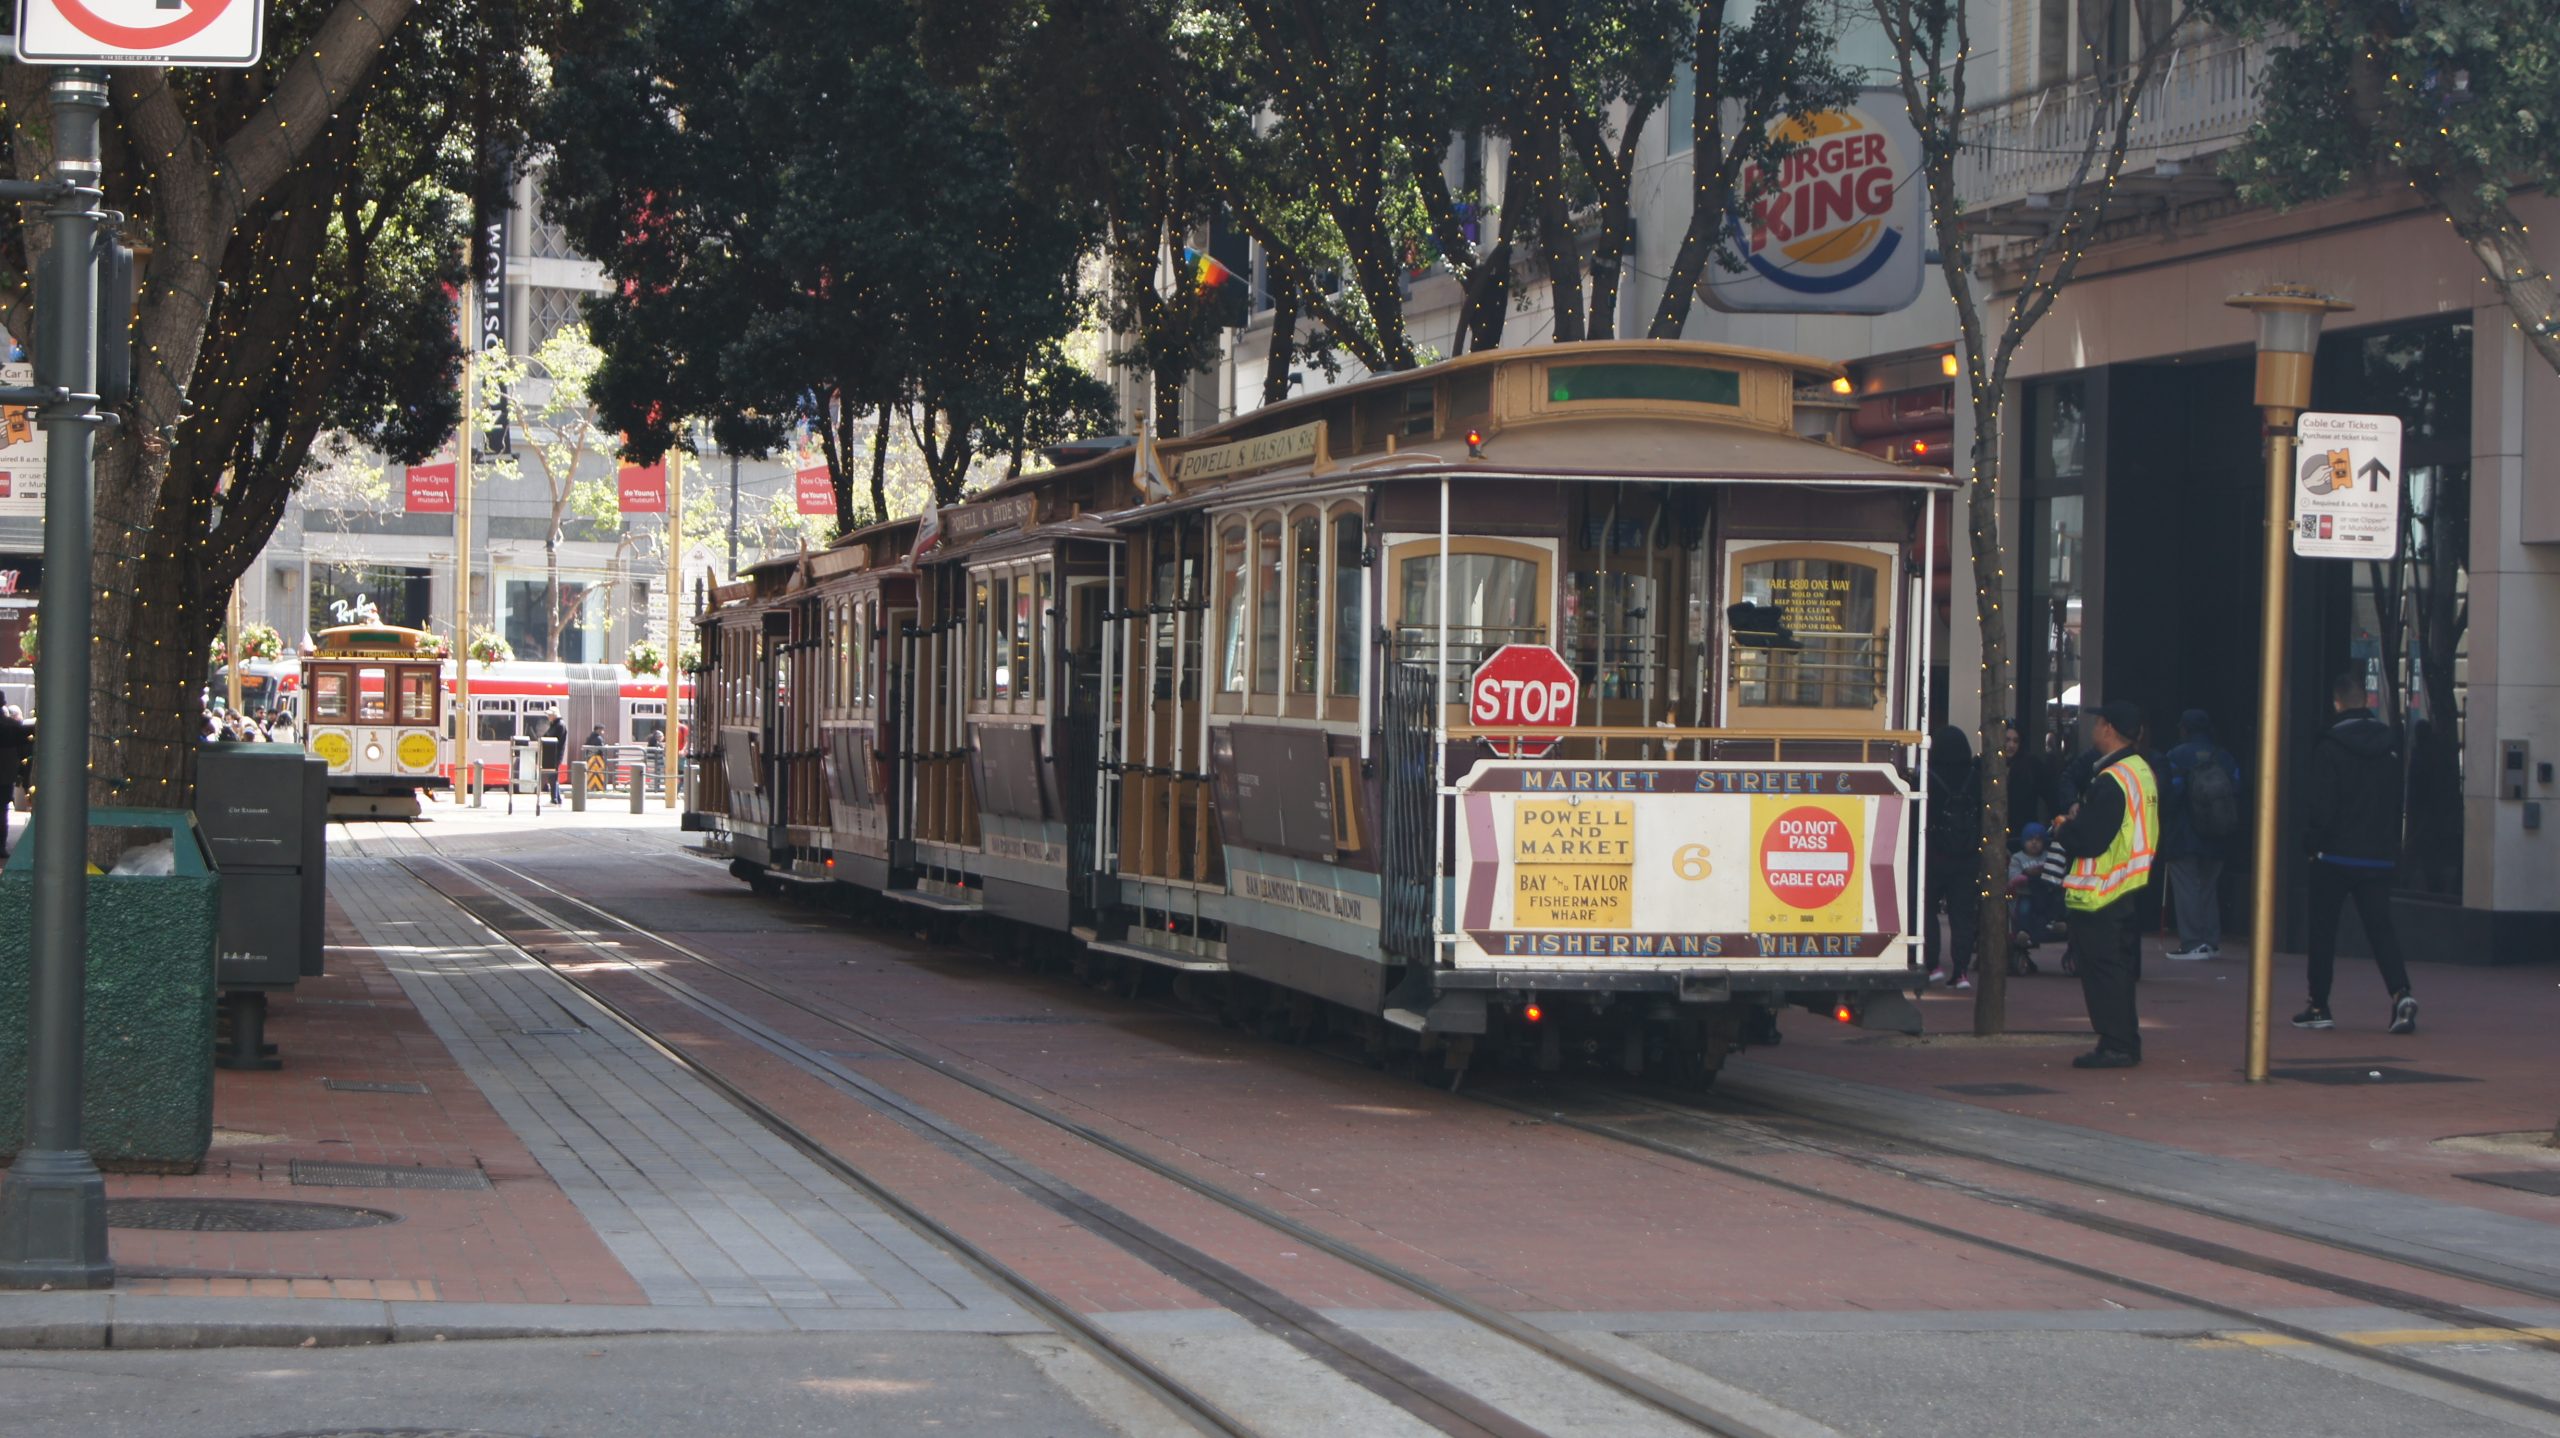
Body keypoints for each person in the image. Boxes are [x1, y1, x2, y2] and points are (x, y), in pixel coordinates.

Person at [2296, 672, 2418, 1035]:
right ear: (2365, 701)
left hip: (2334, 855)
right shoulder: (2389, 745)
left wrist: (2312, 844)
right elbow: (2396, 801)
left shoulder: (2329, 747)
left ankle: (2319, 1005)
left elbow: (2322, 806)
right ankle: (2401, 992)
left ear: (2336, 704)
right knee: (2381, 929)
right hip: (2377, 854)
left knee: (2323, 931)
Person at [2051, 700, 2158, 1069]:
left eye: (2098, 723)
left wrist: (2065, 828)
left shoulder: (2113, 779)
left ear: (2109, 729)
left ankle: (2116, 1045)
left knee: (2104, 972)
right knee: (2118, 970)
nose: (2094, 729)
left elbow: (2090, 839)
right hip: (2127, 885)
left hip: (2102, 891)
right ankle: (2122, 1041)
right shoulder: (2139, 770)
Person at [2161, 709, 2240, 960]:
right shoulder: (2224, 757)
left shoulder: (2175, 756)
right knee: (2208, 888)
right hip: (2217, 833)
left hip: (2183, 835)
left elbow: (2170, 795)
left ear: (2184, 729)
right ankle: (2211, 941)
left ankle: (2193, 942)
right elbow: (2236, 788)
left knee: (2186, 889)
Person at [1923, 724, 1983, 990]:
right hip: (1967, 857)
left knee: (1927, 909)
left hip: (1935, 854)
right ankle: (1960, 972)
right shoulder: (1975, 777)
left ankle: (1932, 964)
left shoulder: (1928, 777)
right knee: (1962, 916)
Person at [0, 703, 28, 859]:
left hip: (6, 774)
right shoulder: (13, 726)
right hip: (6, 776)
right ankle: (0, 847)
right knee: (2, 811)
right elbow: (23, 751)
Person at [539, 710, 569, 802]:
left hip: (555, 754)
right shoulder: (555, 724)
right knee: (553, 776)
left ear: (554, 715)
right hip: (553, 754)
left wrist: (543, 738)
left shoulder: (559, 725)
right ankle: (557, 798)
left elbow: (551, 736)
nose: (548, 717)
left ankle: (555, 798)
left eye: (549, 715)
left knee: (552, 776)